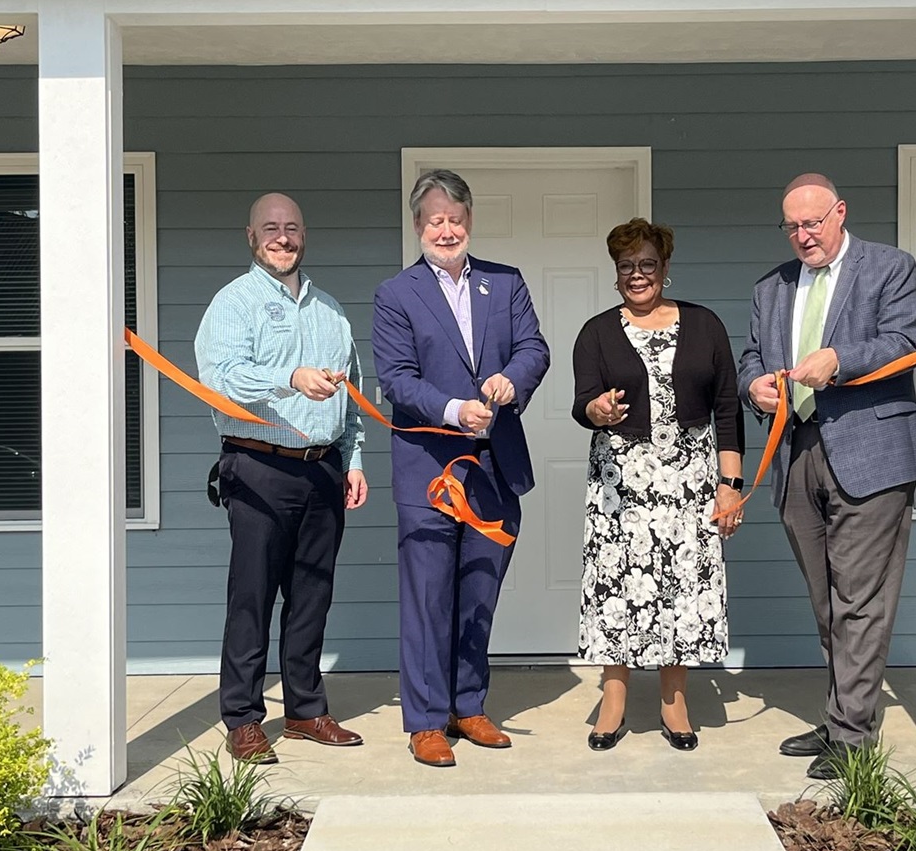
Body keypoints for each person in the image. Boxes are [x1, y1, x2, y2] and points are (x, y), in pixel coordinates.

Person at [737, 174, 916, 779]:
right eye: (792, 226)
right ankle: (842, 714)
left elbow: (906, 339)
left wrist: (840, 360)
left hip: (873, 452)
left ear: (839, 214)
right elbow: (752, 355)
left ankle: (852, 735)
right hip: (799, 452)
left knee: (861, 600)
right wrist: (755, 387)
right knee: (828, 603)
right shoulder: (771, 287)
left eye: (813, 223)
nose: (803, 236)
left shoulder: (889, 267)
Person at [371, 169, 550, 767]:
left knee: (479, 591)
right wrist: (453, 408)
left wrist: (510, 380)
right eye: (434, 219)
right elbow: (395, 379)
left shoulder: (505, 283)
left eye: (455, 218)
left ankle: (467, 706)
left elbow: (534, 349)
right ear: (418, 227)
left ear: (469, 222)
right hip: (429, 470)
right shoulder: (396, 295)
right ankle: (425, 720)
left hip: (495, 467)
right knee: (427, 596)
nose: (446, 229)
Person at [194, 192, 369, 764]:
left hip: (322, 470)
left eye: (292, 227)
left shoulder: (331, 312)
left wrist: (355, 460)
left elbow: (353, 396)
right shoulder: (233, 303)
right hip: (258, 467)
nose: (283, 236)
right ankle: (243, 718)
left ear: (304, 234)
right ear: (251, 235)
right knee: (252, 596)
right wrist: (289, 376)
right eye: (271, 227)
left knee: (311, 596)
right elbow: (220, 378)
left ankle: (305, 711)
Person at [571, 218, 744, 752]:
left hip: (691, 477)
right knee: (617, 587)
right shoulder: (597, 331)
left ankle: (674, 701)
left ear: (665, 269)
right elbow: (584, 403)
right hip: (622, 480)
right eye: (627, 266)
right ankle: (615, 698)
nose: (637, 274)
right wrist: (598, 410)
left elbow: (727, 407)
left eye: (647, 264)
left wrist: (730, 482)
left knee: (683, 588)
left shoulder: (705, 324)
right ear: (616, 273)